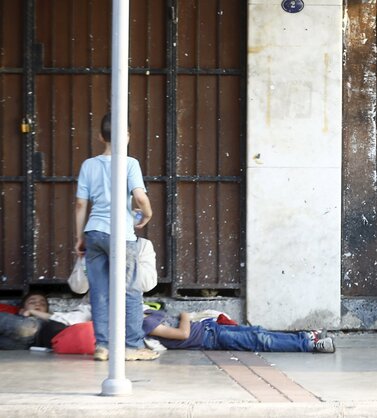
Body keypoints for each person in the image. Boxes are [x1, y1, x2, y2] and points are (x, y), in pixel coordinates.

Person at [74, 113, 158, 361]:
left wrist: (79, 237)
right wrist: (149, 213)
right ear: (128, 136)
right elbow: (140, 197)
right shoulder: (130, 163)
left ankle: (103, 346)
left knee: (99, 291)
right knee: (130, 291)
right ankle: (132, 346)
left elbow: (80, 204)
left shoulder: (88, 165)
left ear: (101, 136)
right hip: (121, 234)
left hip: (94, 232)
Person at [142, 310, 335, 353]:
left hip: (212, 328)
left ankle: (306, 336)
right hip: (211, 338)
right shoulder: (147, 325)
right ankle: (310, 345)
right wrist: (186, 315)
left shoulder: (146, 312)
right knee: (260, 340)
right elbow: (183, 334)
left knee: (258, 331)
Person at [0, 291, 92, 350]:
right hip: (29, 330)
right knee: (24, 326)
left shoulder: (53, 318)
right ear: (22, 309)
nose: (38, 304)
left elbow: (53, 317)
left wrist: (32, 311)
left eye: (42, 303)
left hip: (30, 344)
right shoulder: (23, 321)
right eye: (32, 302)